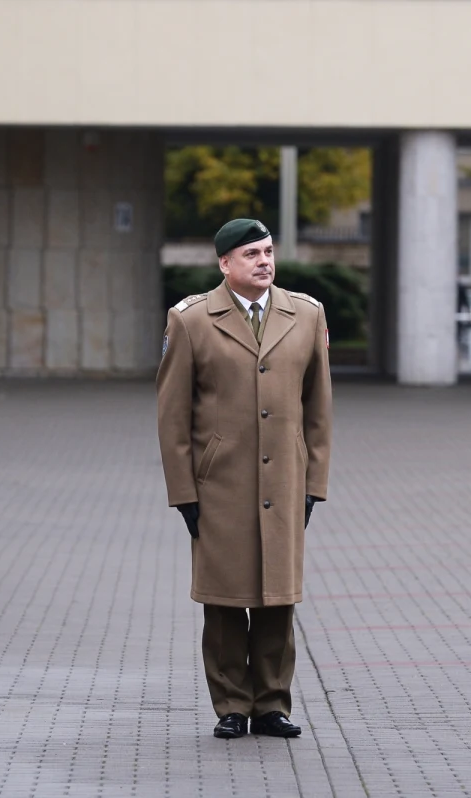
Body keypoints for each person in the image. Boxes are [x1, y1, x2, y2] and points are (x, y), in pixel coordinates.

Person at [156, 218, 332, 740]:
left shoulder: (305, 315)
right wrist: (184, 492)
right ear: (224, 264)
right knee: (226, 599)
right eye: (250, 253)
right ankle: (232, 703)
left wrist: (313, 483)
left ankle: (273, 705)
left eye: (268, 251)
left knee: (279, 597)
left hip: (285, 482)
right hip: (221, 484)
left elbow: (319, 408)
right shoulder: (190, 320)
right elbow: (172, 416)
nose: (263, 261)